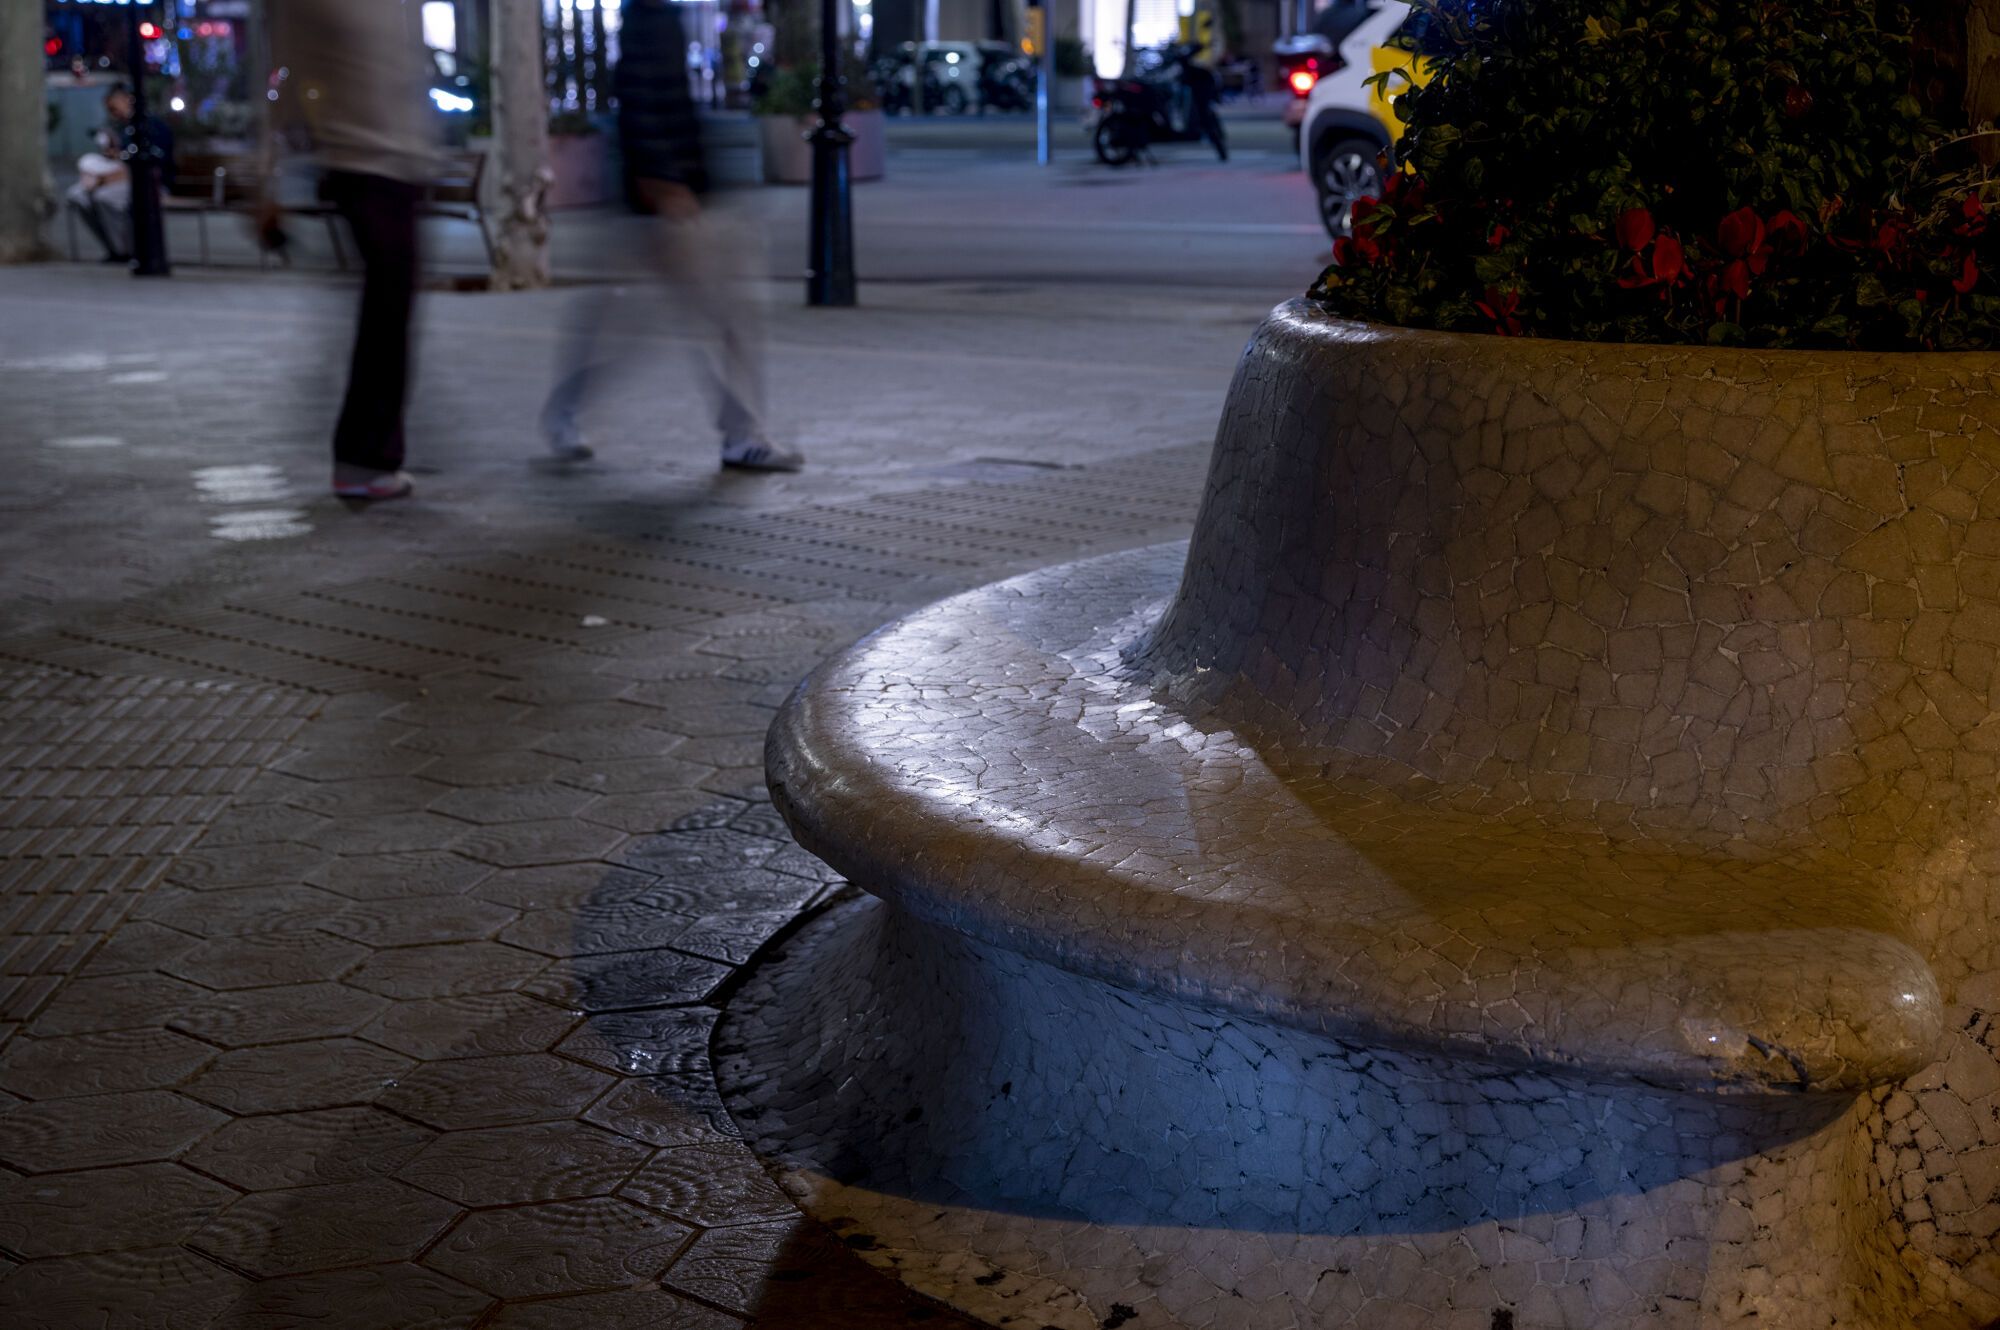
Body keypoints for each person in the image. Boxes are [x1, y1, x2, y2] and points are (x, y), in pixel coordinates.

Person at [539, 0, 802, 473]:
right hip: (662, 204)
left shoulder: (664, 17)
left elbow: (672, 107)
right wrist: (661, 181)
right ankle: (740, 434)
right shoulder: (649, 20)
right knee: (658, 325)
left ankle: (740, 433)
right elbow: (640, 98)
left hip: (678, 198)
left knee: (707, 317)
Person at [263, 0, 436, 501]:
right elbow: (281, 75)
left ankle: (367, 452)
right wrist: (267, 181)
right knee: (386, 309)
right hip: (361, 162)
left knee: (390, 308)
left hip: (399, 164)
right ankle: (364, 457)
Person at [67, 84, 175, 264]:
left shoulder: (152, 126)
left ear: (127, 100)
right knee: (77, 196)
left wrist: (103, 180)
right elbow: (121, 159)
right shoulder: (125, 128)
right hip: (120, 180)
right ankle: (115, 247)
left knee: (104, 197)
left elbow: (149, 167)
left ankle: (125, 250)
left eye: (114, 108)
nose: (113, 114)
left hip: (150, 184)